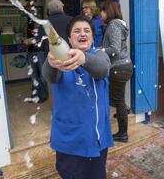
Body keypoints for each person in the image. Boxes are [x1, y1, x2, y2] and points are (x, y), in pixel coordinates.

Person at [42, 15, 113, 179]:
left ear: (92, 36)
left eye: (87, 30)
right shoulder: (60, 59)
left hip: (95, 138)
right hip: (69, 139)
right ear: (69, 38)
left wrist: (84, 58)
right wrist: (50, 63)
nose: (83, 34)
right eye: (77, 31)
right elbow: (50, 76)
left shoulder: (100, 55)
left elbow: (102, 69)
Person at [100, 0, 133, 143]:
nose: (101, 14)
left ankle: (123, 134)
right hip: (124, 66)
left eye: (102, 10)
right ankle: (123, 117)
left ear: (108, 11)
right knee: (119, 101)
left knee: (119, 102)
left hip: (118, 67)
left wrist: (99, 50)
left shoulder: (114, 24)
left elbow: (114, 49)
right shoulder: (120, 24)